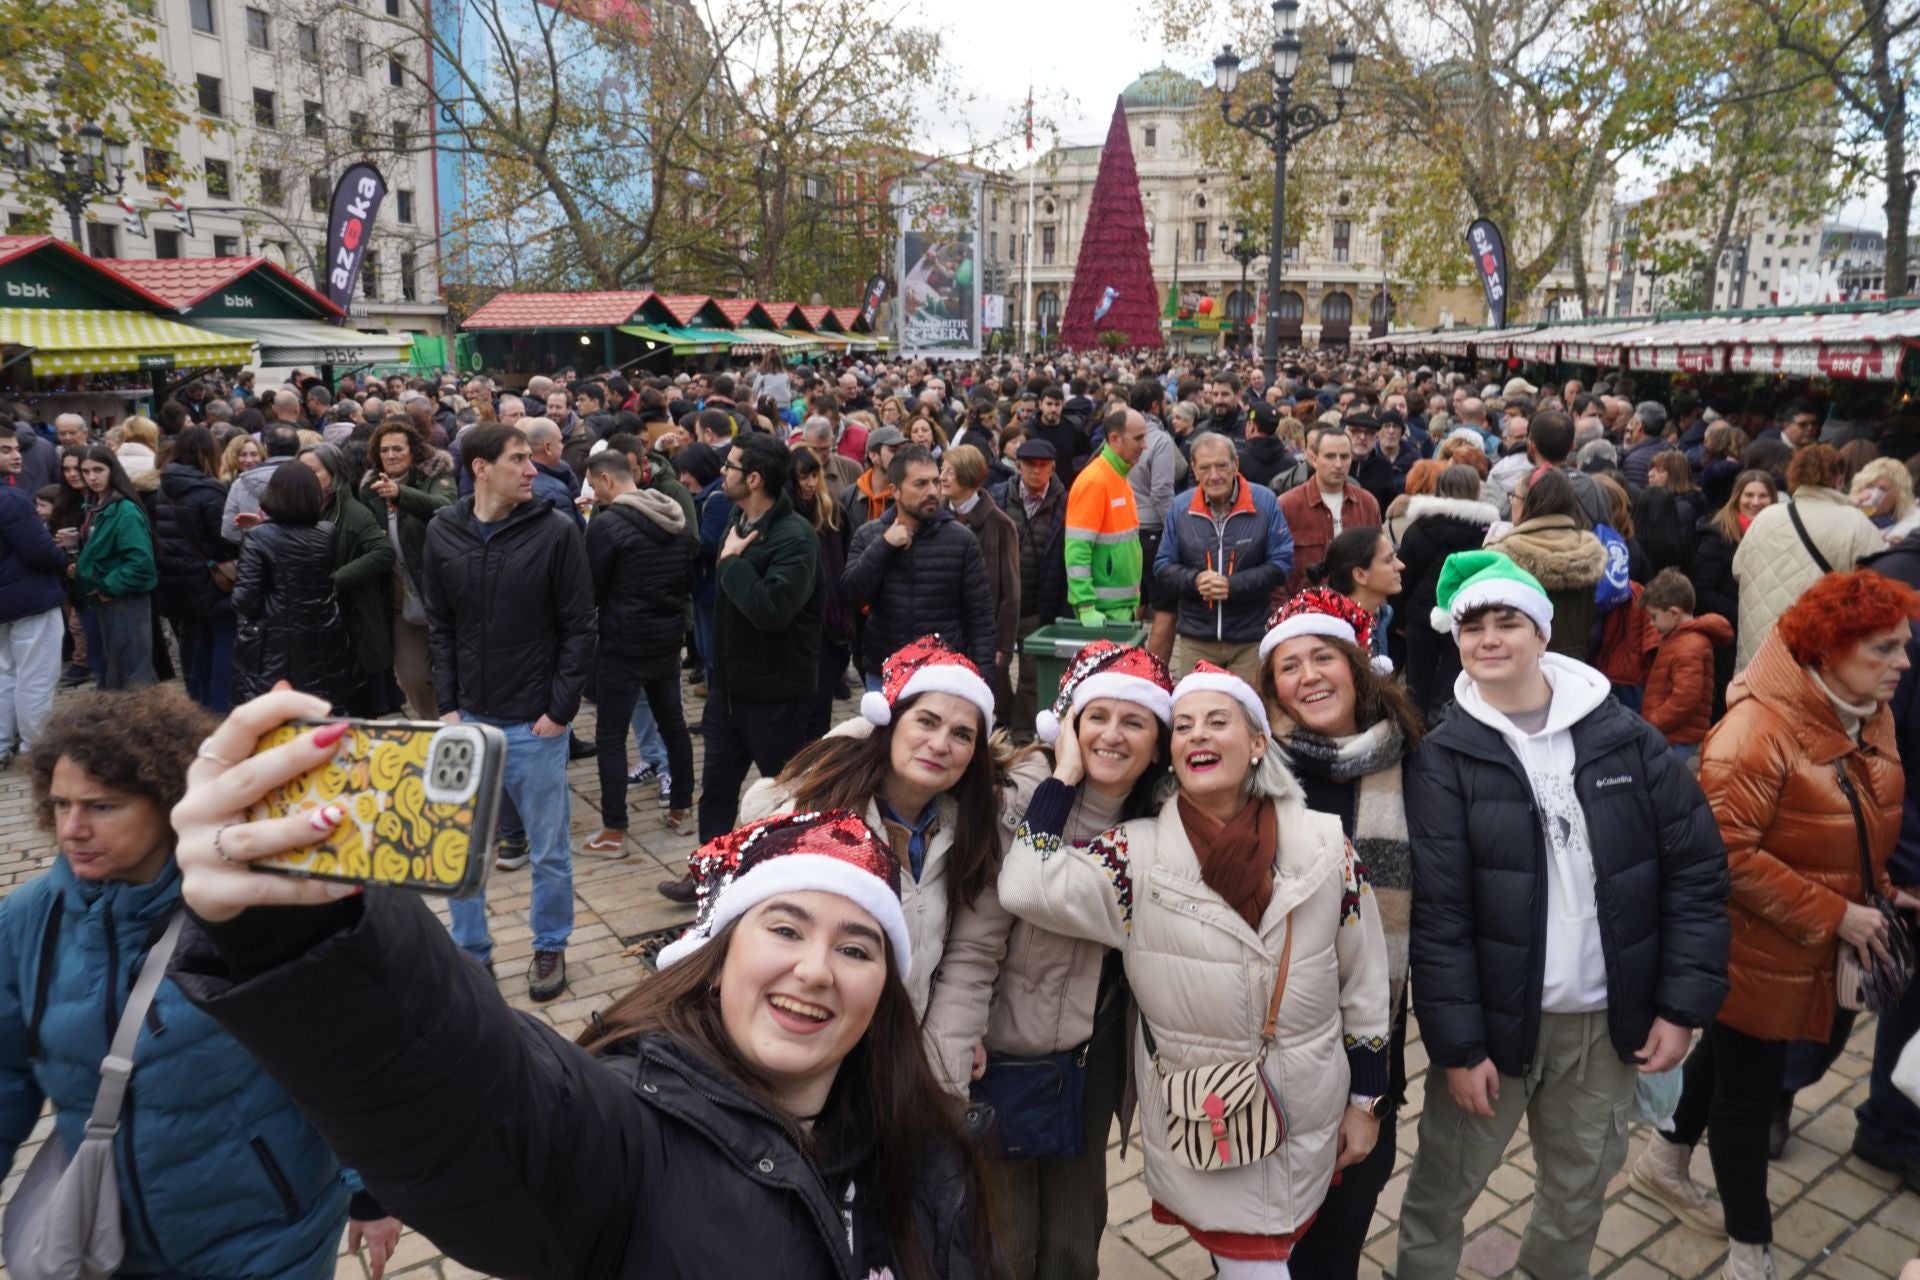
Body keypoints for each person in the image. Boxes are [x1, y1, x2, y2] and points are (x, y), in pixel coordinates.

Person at [163, 694, 997, 1276]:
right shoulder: (626, 1134)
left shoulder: (924, 1149)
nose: (814, 969)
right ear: (715, 957)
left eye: (857, 948)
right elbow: (467, 1094)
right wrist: (300, 931)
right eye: (783, 929)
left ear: (887, 986)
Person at [1395, 551, 1729, 1280]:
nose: (1488, 638)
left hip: (1602, 1028)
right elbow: (1441, 917)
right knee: (1441, 1191)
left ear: (1542, 633)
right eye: (1472, 624)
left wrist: (1680, 1005)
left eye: (1506, 621)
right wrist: (1456, 1046)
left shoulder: (1625, 739)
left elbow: (1695, 871)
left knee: (1577, 1192)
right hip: (1494, 1026)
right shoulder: (1445, 758)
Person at [1000, 660, 1391, 1274]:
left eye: (1218, 722)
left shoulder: (1324, 845)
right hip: (1210, 1126)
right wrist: (1065, 774)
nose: (1198, 736)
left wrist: (1367, 1100)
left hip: (1310, 1115)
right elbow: (1027, 886)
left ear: (1258, 743)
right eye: (1183, 726)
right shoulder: (1135, 855)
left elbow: (1365, 978)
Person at [5, 687, 400, 1278]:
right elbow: (6, 1073)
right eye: (61, 805)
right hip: (110, 1241)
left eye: (102, 806)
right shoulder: (30, 918)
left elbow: (339, 1051)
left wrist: (371, 1192)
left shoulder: (252, 908)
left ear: (168, 800)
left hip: (268, 1237)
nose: (73, 828)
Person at [1639, 571, 1918, 1278]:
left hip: (1809, 941)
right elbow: (1723, 854)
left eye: (1904, 647)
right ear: (1827, 651)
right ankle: (1749, 1254)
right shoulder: (1755, 732)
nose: (1904, 664)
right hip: (1752, 946)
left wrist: (1881, 887)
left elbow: (1848, 816)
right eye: (1885, 649)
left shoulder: (1864, 709)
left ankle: (1663, 1159)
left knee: (1737, 1058)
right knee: (1747, 1099)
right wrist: (1839, 912)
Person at [926, 642, 1174, 1279]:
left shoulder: (1161, 819)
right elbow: (975, 947)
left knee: (1072, 1240)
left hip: (1095, 1056)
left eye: (1135, 721)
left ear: (1158, 742)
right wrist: (950, 1077)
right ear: (1067, 726)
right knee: (1007, 1242)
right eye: (1097, 717)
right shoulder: (1019, 802)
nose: (1112, 736)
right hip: (1005, 1058)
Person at [1255, 589, 1423, 1280]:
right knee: (1260, 1249)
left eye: (1322, 656)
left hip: (1369, 1051)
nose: (1308, 677)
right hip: (1264, 1057)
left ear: (1358, 666)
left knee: (1334, 1251)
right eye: (1288, 667)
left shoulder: (1414, 761)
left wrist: (1370, 1095)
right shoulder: (1255, 769)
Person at [739, 637, 1004, 1025]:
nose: (940, 744)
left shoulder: (962, 829)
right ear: (888, 722)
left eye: (962, 734)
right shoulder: (822, 819)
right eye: (926, 721)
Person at [421, 422, 595, 1002]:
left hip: (534, 725)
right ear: (479, 467)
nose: (531, 469)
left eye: (529, 457)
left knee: (548, 851)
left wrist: (560, 711)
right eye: (519, 459)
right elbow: (440, 627)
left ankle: (550, 946)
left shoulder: (555, 531)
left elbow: (579, 626)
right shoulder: (443, 530)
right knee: (457, 850)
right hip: (466, 721)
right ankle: (472, 955)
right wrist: (446, 706)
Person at [689, 432, 825, 850]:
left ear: (753, 479)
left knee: (786, 797)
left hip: (776, 698)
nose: (721, 472)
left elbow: (771, 610)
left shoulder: (795, 537)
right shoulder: (738, 520)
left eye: (729, 466)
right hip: (729, 693)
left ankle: (793, 875)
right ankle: (709, 876)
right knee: (715, 793)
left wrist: (730, 563)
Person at [581, 450, 696, 850]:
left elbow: (590, 588)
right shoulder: (675, 516)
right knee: (674, 724)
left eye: (594, 486)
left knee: (610, 736)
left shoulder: (608, 524)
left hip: (623, 644)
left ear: (608, 480)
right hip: (666, 640)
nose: (593, 494)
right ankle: (681, 807)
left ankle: (614, 829)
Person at [843, 443, 997, 689]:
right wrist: (884, 547)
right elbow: (850, 595)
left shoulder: (961, 540)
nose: (932, 491)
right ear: (895, 490)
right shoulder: (869, 535)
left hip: (942, 674)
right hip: (884, 672)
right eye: (920, 484)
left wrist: (983, 683)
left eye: (935, 482)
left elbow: (980, 618)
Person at [1154, 431, 1294, 684]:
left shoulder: (1265, 502)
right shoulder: (1181, 507)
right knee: (1199, 707)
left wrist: (1232, 585)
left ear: (1235, 465)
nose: (1214, 475)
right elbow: (1163, 566)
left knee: (1247, 712)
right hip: (1196, 637)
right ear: (1195, 470)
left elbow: (1281, 563)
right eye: (1205, 468)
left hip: (1249, 637)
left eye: (1221, 465)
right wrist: (1195, 581)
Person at [1734, 444, 1885, 671]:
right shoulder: (1855, 523)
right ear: (1839, 478)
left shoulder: (1767, 516)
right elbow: (1875, 589)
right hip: (1812, 657)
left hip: (1757, 657)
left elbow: (1738, 569)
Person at [230, 461, 363, 708]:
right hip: (324, 636)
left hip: (274, 646)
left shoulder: (257, 538)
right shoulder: (327, 532)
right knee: (324, 706)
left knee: (276, 715)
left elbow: (245, 600)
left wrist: (259, 532)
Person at [355, 417, 456, 720]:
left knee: (454, 670)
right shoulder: (369, 489)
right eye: (384, 450)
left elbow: (445, 508)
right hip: (401, 598)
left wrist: (401, 496)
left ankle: (462, 725)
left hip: (442, 592)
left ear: (414, 451)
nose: (391, 455)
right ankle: (434, 727)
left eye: (398, 449)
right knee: (412, 677)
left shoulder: (436, 476)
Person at [297, 443, 398, 716]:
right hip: (317, 622)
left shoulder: (352, 512)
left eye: (312, 472)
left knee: (357, 705)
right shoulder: (304, 509)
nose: (305, 478)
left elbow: (383, 552)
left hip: (350, 622)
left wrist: (335, 581)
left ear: (333, 473)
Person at [1394, 465, 1501, 719]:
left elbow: (1404, 578)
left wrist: (1399, 619)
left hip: (1421, 617)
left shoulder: (1419, 528)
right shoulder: (1488, 534)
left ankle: (1415, 741)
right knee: (1457, 685)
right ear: (1476, 492)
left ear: (1438, 489)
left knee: (1416, 687)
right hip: (1467, 617)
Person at [1485, 467, 1606, 661]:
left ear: (1528, 504)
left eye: (1513, 496)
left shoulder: (1502, 554)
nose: (1512, 502)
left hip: (1517, 668)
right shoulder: (1588, 550)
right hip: (1576, 667)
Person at [0, 423, 68, 765]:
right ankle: (36, 748)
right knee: (36, 676)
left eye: (15, 448)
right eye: (5, 450)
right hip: (29, 598)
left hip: (10, 601)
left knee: (5, 673)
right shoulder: (11, 498)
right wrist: (63, 558)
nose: (16, 455)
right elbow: (39, 551)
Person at [941, 444, 1021, 727]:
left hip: (984, 635)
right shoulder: (936, 518)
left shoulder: (999, 524)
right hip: (947, 631)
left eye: (949, 471)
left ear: (968, 475)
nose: (942, 477)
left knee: (988, 704)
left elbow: (1011, 593)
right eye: (942, 470)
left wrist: (1003, 643)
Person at [69, 445, 158, 690]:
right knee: (115, 668)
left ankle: (143, 723)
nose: (92, 477)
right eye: (86, 471)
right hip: (105, 600)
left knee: (133, 671)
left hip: (125, 599)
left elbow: (141, 563)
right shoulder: (95, 505)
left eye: (98, 470)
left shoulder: (125, 510)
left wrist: (107, 587)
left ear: (112, 470)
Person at [1007, 438, 1070, 742]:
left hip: (1037, 601)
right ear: (1018, 465)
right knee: (993, 668)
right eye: (1029, 465)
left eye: (1042, 465)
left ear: (1053, 467)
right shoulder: (1000, 496)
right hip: (1003, 604)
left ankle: (1020, 729)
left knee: (1031, 674)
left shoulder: (1064, 501)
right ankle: (1003, 715)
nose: (1036, 471)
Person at [1279, 425, 1383, 600]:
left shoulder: (1368, 504)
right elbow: (1276, 570)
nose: (1338, 464)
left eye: (1344, 457)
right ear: (1313, 458)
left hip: (1358, 609)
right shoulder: (1287, 505)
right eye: (1329, 456)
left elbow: (1379, 560)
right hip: (1304, 613)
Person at [1640, 568, 1732, 762]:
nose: (1650, 623)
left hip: (1678, 740)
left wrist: (1653, 721)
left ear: (1674, 613)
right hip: (1673, 736)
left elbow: (1685, 698)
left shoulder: (1689, 646)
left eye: (1654, 616)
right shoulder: (1676, 638)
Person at [1064, 409, 1147, 626]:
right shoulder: (1095, 481)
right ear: (1114, 439)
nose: (1144, 445)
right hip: (1102, 613)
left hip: (1116, 609)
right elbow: (1077, 550)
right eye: (1138, 438)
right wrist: (1086, 606)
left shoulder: (1117, 477)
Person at [1310, 526, 1403, 673]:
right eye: (1388, 560)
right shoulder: (1327, 632)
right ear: (1360, 575)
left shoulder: (1380, 614)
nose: (1400, 565)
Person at [221, 425, 299, 542]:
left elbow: (229, 530)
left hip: (256, 552)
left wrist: (253, 543)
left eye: (253, 454)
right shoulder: (308, 476)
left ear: (265, 449)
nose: (249, 460)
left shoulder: (240, 484)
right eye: (243, 455)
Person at [841, 424, 905, 526]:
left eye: (902, 451)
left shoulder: (906, 495)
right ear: (873, 455)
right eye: (893, 450)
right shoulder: (848, 498)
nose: (900, 456)